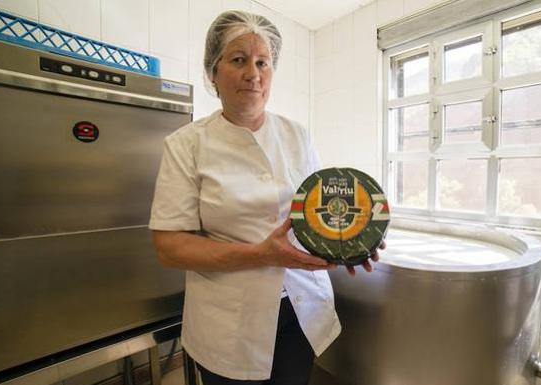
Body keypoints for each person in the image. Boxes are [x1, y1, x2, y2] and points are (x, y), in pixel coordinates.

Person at [149, 10, 382, 385]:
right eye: (238, 60)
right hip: (229, 325)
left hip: (300, 312)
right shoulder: (186, 145)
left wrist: (351, 240)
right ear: (213, 72)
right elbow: (169, 247)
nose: (253, 74)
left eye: (263, 63)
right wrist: (261, 254)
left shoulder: (297, 135)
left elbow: (317, 213)